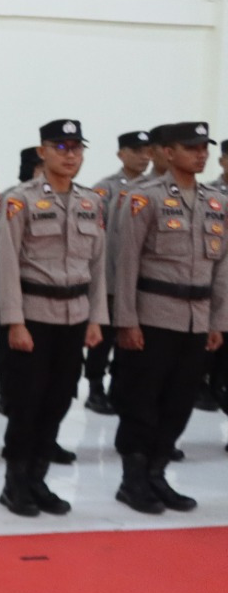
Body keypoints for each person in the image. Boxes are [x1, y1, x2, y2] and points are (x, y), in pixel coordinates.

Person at [108, 122, 227, 513]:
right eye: (191, 147)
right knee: (141, 402)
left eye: (204, 148)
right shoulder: (144, 198)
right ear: (169, 152)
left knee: (179, 402)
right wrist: (126, 321)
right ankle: (133, 480)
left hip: (196, 320)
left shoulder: (216, 202)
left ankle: (157, 474)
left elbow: (222, 268)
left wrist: (217, 322)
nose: (201, 154)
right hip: (153, 316)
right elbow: (125, 263)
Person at [0, 120, 106, 516]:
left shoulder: (91, 202)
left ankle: (38, 480)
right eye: (60, 147)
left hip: (75, 318)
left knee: (58, 401)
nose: (70, 155)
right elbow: (7, 264)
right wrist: (14, 322)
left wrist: (96, 319)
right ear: (42, 151)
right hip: (34, 318)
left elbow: (98, 266)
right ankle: (15, 484)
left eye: (76, 147)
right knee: (26, 404)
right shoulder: (19, 200)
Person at [83, 130, 153, 416]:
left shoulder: (155, 189)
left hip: (141, 283)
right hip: (111, 280)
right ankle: (95, 388)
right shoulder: (105, 189)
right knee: (103, 339)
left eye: (147, 150)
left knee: (132, 340)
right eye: (136, 151)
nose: (143, 156)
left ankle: (119, 388)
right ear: (121, 154)